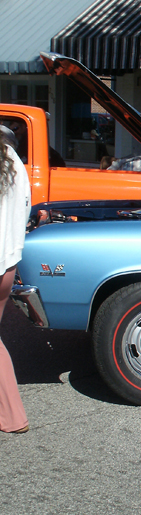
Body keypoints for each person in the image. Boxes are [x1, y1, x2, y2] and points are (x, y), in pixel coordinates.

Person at [0, 126, 29, 434]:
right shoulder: (12, 160)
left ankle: (13, 416)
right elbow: (25, 207)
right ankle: (11, 415)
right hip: (7, 264)